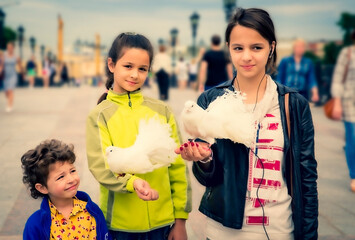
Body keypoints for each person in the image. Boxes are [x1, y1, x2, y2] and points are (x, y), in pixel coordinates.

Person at [176, 8, 318, 240]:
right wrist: (204, 159)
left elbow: (307, 178)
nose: (246, 57)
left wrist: (310, 235)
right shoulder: (211, 100)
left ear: (271, 47)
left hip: (280, 230)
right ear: (228, 48)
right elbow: (207, 179)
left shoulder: (293, 105)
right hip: (223, 231)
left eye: (256, 47)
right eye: (238, 48)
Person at [86, 32, 191, 240]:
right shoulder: (99, 115)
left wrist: (180, 220)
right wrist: (132, 183)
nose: (135, 74)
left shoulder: (163, 111)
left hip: (164, 223)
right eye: (128, 66)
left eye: (142, 69)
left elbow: (177, 168)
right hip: (120, 226)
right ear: (111, 64)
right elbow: (101, 166)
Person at [21, 139, 110, 240]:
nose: (71, 179)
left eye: (72, 171)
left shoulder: (93, 210)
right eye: (61, 177)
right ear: (42, 188)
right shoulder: (35, 224)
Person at [330, 30, 355, 192]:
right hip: (349, 102)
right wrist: (337, 102)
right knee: (353, 138)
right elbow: (338, 78)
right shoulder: (347, 53)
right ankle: (354, 176)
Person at [3, 42, 22, 112]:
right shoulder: (3, 56)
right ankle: (9, 100)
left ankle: (9, 106)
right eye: (8, 47)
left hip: (13, 75)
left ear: (13, 48)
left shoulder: (16, 57)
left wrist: (22, 73)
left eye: (10, 47)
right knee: (6, 92)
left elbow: (20, 66)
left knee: (10, 90)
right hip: (5, 76)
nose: (9, 49)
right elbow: (1, 64)